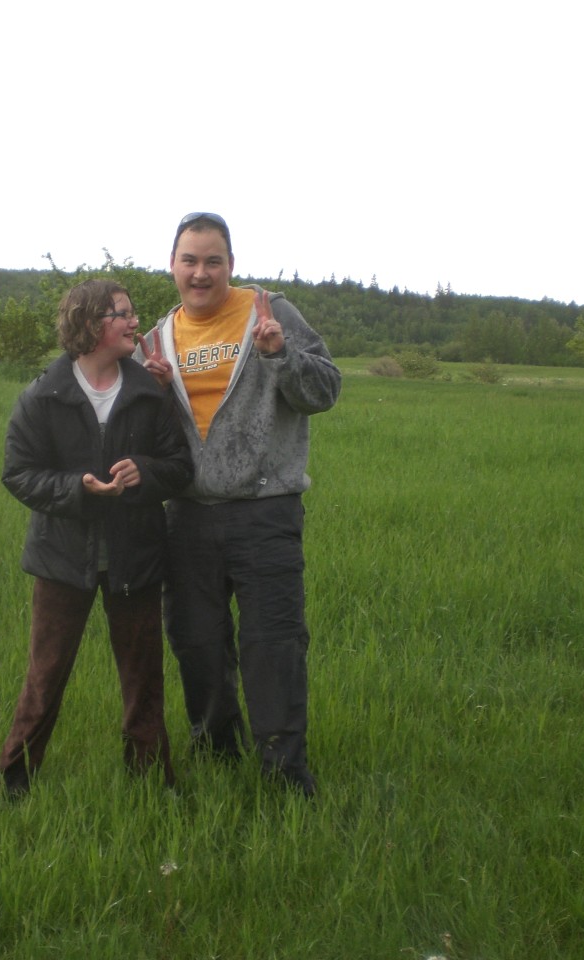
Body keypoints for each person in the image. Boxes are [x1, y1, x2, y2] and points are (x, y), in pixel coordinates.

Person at [137, 212, 341, 797]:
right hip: (187, 516)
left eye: (213, 261)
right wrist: (152, 394)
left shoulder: (269, 313)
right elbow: (147, 437)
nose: (201, 273)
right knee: (196, 642)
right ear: (172, 265)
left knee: (273, 644)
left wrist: (280, 356)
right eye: (190, 260)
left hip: (265, 511)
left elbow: (325, 391)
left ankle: (284, 773)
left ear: (232, 264)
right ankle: (216, 753)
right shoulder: (157, 339)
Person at [0, 279, 194, 800]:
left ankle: (152, 782)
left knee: (143, 678)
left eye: (132, 312)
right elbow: (19, 473)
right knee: (45, 676)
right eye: (122, 313)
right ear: (89, 323)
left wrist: (144, 471)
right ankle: (12, 782)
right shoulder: (44, 395)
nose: (134, 322)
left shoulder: (148, 393)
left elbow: (179, 467)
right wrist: (77, 489)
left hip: (136, 557)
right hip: (61, 560)